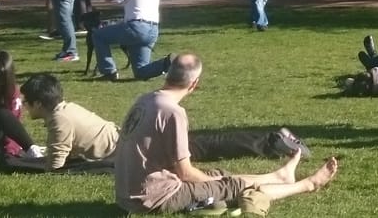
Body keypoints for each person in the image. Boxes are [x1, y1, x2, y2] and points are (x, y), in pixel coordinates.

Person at [114, 52, 337, 214]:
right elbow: (185, 173)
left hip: (129, 193)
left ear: (167, 74)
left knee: (217, 174)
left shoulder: (146, 100)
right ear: (194, 84)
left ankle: (280, 177)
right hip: (153, 198)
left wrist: (218, 178)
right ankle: (307, 185)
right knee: (232, 186)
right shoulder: (172, 112)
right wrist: (224, 181)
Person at [13, 73, 119, 171]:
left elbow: (55, 166)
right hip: (120, 145)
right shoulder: (67, 109)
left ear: (38, 104)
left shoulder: (59, 119)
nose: (23, 105)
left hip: (117, 155)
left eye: (25, 101)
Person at [94, 0, 169, 82]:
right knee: (141, 71)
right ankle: (168, 63)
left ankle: (109, 72)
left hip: (136, 28)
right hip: (152, 30)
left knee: (99, 35)